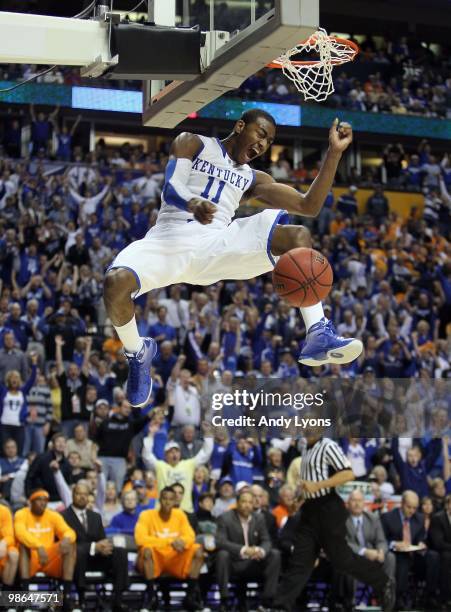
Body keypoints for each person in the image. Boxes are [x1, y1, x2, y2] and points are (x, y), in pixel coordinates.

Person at [103, 110, 362, 408]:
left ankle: (318, 332)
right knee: (115, 282)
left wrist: (333, 153)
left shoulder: (253, 178)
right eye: (260, 134)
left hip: (216, 245)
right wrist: (192, 201)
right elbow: (171, 187)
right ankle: (137, 352)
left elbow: (309, 205)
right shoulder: (193, 143)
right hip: (168, 240)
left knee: (297, 236)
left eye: (269, 142)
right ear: (240, 126)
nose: (263, 144)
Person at [271, 432, 395, 612]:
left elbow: (347, 474)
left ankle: (382, 582)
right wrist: (300, 495)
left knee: (341, 560)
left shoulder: (328, 445)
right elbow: (308, 482)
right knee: (299, 563)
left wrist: (319, 486)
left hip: (329, 509)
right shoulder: (305, 447)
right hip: (310, 511)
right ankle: (280, 607)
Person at [62, 482, 129, 612]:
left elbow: (101, 539)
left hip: (96, 559)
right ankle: (81, 599)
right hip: (74, 562)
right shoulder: (63, 516)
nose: (82, 497)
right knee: (78, 550)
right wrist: (93, 546)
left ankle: (118, 600)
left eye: (85, 494)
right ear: (72, 495)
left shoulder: (95, 516)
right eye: (78, 494)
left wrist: (104, 547)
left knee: (120, 552)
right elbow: (68, 543)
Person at [135, 487, 204, 611]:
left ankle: (189, 597)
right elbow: (140, 539)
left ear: (175, 502)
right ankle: (152, 597)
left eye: (171, 499)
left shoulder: (180, 514)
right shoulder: (146, 515)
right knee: (146, 551)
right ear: (159, 500)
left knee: (198, 551)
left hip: (175, 559)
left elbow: (190, 536)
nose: (167, 502)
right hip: (155, 559)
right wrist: (170, 542)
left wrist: (182, 541)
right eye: (164, 499)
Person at [216, 490, 281, 612]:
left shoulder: (259, 518)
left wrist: (259, 550)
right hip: (234, 563)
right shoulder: (225, 518)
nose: (247, 505)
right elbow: (220, 542)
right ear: (237, 503)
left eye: (250, 502)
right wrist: (244, 550)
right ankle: (224, 600)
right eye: (244, 502)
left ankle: (267, 602)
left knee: (274, 554)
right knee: (222, 554)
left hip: (253, 563)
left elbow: (266, 540)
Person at [14, 489, 76, 611]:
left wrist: (67, 539)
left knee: (70, 545)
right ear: (31, 502)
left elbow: (69, 531)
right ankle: (24, 599)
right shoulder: (21, 514)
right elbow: (20, 533)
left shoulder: (53, 515)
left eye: (45, 500)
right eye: (39, 500)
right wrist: (38, 546)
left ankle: (66, 597)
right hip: (31, 558)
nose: (43, 503)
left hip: (49, 559)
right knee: (23, 545)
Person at [333, 489, 396, 609]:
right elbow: (343, 542)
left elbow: (381, 540)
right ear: (348, 503)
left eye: (360, 501)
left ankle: (386, 597)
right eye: (354, 501)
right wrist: (365, 552)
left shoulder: (373, 518)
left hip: (373, 558)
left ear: (364, 503)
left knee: (390, 557)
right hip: (353, 557)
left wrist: (381, 551)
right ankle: (350, 603)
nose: (357, 504)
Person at [381, 490, 440, 609]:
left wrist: (421, 543)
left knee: (434, 556)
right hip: (397, 555)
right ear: (402, 503)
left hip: (415, 555)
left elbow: (421, 537)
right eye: (409, 507)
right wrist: (394, 543)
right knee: (403, 559)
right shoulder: (388, 517)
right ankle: (399, 597)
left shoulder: (419, 518)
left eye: (414, 508)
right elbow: (381, 540)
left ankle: (429, 595)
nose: (412, 511)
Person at [142, 421, 214, 513]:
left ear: (180, 453)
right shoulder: (160, 466)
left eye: (176, 451)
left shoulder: (188, 464)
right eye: (171, 452)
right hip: (163, 511)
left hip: (185, 510)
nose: (174, 454)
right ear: (165, 455)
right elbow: (146, 456)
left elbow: (206, 453)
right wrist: (151, 435)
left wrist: (208, 435)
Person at [0, 354, 37, 453]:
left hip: (19, 426)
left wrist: (34, 363)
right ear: (8, 380)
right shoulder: (3, 391)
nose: (14, 379)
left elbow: (32, 380)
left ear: (19, 380)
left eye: (16, 377)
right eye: (12, 377)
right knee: (4, 451)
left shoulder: (23, 391)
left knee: (19, 450)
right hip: (4, 425)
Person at [429, 493, 451, 606]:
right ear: (448, 505)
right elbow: (438, 543)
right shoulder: (438, 518)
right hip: (441, 551)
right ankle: (445, 597)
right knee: (446, 557)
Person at [0, 503, 19, 587]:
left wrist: (3, 543)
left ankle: (6, 591)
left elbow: (10, 536)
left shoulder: (4, 511)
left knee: (13, 554)